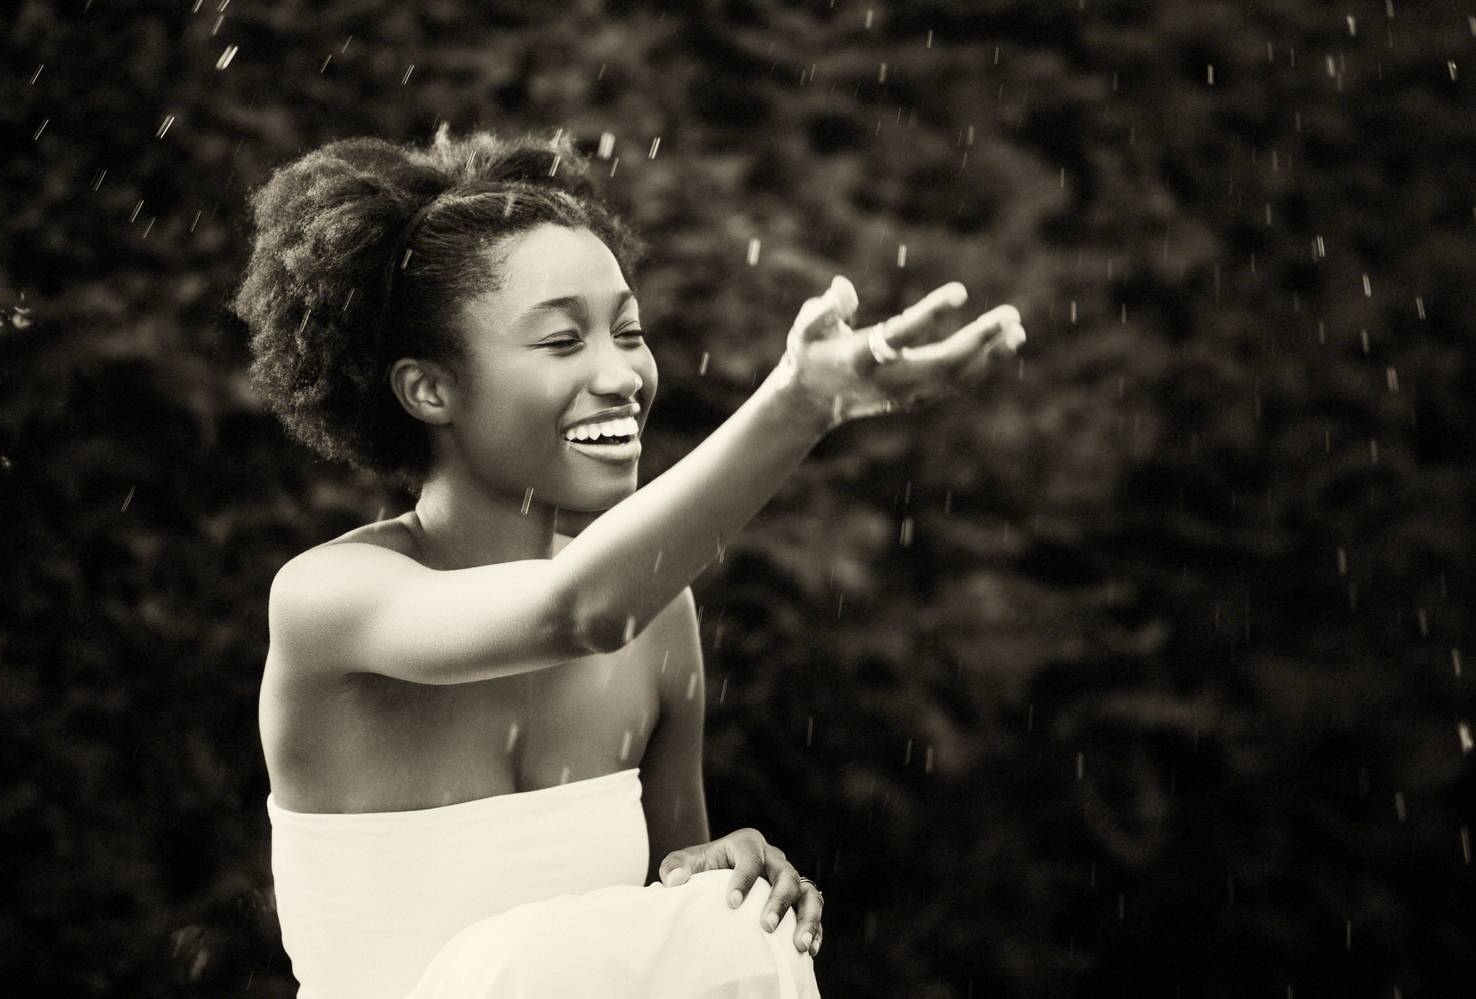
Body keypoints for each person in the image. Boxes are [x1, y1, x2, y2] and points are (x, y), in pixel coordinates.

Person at [230, 123, 1025, 999]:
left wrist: (727, 876)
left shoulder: (659, 619)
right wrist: (801, 403)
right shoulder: (329, 600)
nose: (622, 376)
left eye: (628, 331)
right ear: (429, 389)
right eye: (562, 341)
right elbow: (577, 611)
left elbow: (658, 899)